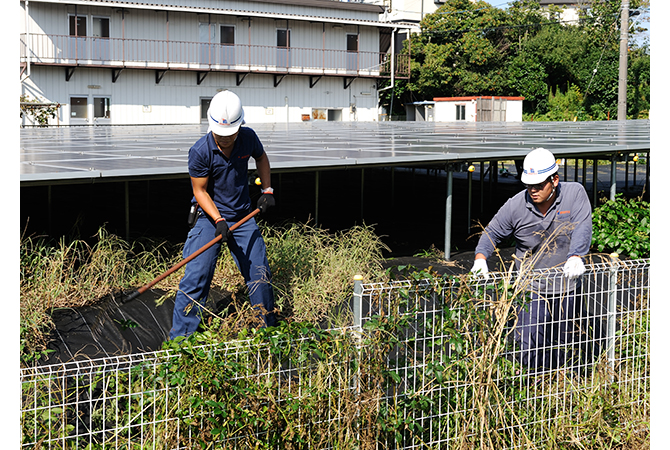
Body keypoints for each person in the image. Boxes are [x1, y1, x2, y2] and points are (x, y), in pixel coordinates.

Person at [470, 147, 592, 372]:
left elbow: (583, 227)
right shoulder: (516, 205)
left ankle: (563, 385)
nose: (533, 190)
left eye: (539, 185)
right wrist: (480, 258)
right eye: (529, 185)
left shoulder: (574, 194)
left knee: (565, 340)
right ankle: (533, 385)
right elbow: (491, 233)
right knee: (531, 340)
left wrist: (576, 255)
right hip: (531, 287)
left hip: (567, 284)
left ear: (554, 180)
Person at [170, 90, 277, 339]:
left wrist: (268, 190)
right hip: (209, 218)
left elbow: (261, 157)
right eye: (221, 134)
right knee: (197, 275)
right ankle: (180, 343)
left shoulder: (248, 138)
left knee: (259, 273)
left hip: (242, 217)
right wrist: (218, 220)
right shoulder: (200, 151)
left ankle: (268, 333)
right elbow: (199, 190)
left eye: (231, 134)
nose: (226, 139)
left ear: (240, 126)